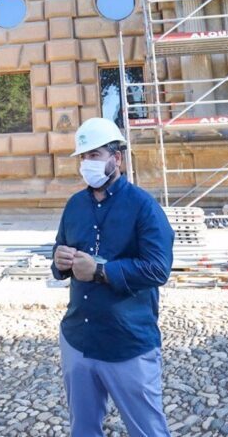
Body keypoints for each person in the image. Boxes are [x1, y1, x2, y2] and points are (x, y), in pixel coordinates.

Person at [52, 117, 175, 437]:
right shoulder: (75, 205)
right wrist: (60, 260)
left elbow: (158, 268)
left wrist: (102, 271)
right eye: (83, 157)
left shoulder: (144, 207)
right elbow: (59, 256)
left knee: (148, 430)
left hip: (128, 343)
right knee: (83, 429)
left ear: (116, 159)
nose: (86, 164)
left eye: (94, 156)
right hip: (78, 340)